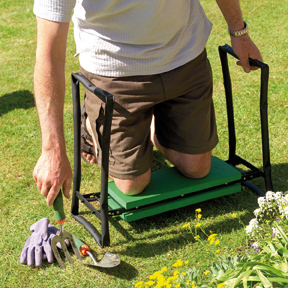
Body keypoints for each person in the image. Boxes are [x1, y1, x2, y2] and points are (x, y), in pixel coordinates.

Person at [32, 0, 263, 207]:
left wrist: (239, 33)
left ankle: (149, 120)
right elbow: (49, 54)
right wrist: (52, 151)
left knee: (197, 168)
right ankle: (91, 121)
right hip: (114, 71)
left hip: (184, 55)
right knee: (132, 184)